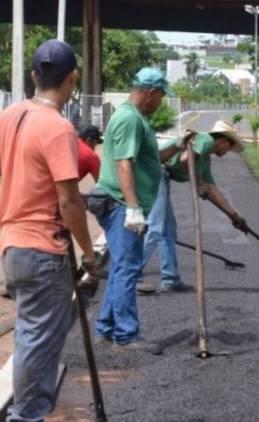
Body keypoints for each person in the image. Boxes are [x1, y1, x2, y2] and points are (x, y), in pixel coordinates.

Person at [0, 39, 101, 421]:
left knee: (32, 332)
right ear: (72, 78)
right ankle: (25, 417)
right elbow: (70, 201)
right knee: (37, 340)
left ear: (33, 76)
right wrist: (89, 255)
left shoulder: (9, 115)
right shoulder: (58, 129)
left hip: (12, 244)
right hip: (43, 248)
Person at [93, 67, 183, 353]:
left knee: (122, 268)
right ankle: (126, 335)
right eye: (160, 97)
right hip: (121, 204)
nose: (160, 103)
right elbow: (124, 164)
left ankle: (106, 329)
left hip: (123, 203)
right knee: (128, 269)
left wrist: (177, 146)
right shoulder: (130, 119)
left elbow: (150, 158)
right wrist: (133, 208)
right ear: (151, 93)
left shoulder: (136, 119)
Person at [137, 120, 248, 293]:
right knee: (157, 227)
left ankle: (170, 279)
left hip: (160, 174)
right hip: (153, 170)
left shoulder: (205, 160)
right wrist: (199, 182)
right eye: (229, 148)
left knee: (169, 229)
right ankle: (132, 275)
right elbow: (185, 160)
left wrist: (233, 216)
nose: (227, 152)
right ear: (224, 142)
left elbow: (213, 190)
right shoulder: (205, 139)